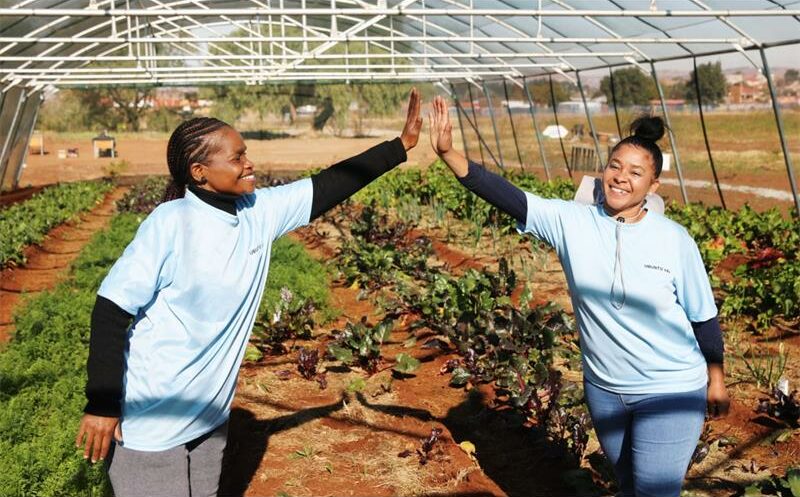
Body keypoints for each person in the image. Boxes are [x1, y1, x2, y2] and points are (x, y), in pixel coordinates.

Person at [75, 89, 422, 497]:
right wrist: (102, 403)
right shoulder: (171, 224)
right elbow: (111, 309)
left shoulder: (258, 211)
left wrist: (400, 146)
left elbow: (330, 184)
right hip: (155, 418)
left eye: (246, 153)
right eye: (236, 157)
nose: (248, 163)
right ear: (200, 172)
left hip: (209, 417)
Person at [427, 95, 729, 497]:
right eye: (615, 166)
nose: (621, 177)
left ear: (653, 185)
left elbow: (703, 316)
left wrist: (716, 378)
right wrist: (449, 154)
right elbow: (507, 196)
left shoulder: (674, 240)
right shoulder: (572, 222)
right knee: (629, 486)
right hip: (606, 390)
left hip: (670, 388)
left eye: (636, 173)